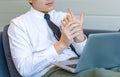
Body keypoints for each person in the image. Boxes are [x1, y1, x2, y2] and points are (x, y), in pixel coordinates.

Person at [8, 0, 87, 77]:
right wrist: (61, 44)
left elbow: (86, 56)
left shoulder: (65, 17)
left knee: (98, 69)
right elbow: (24, 69)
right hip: (52, 71)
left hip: (79, 64)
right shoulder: (18, 25)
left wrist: (79, 39)